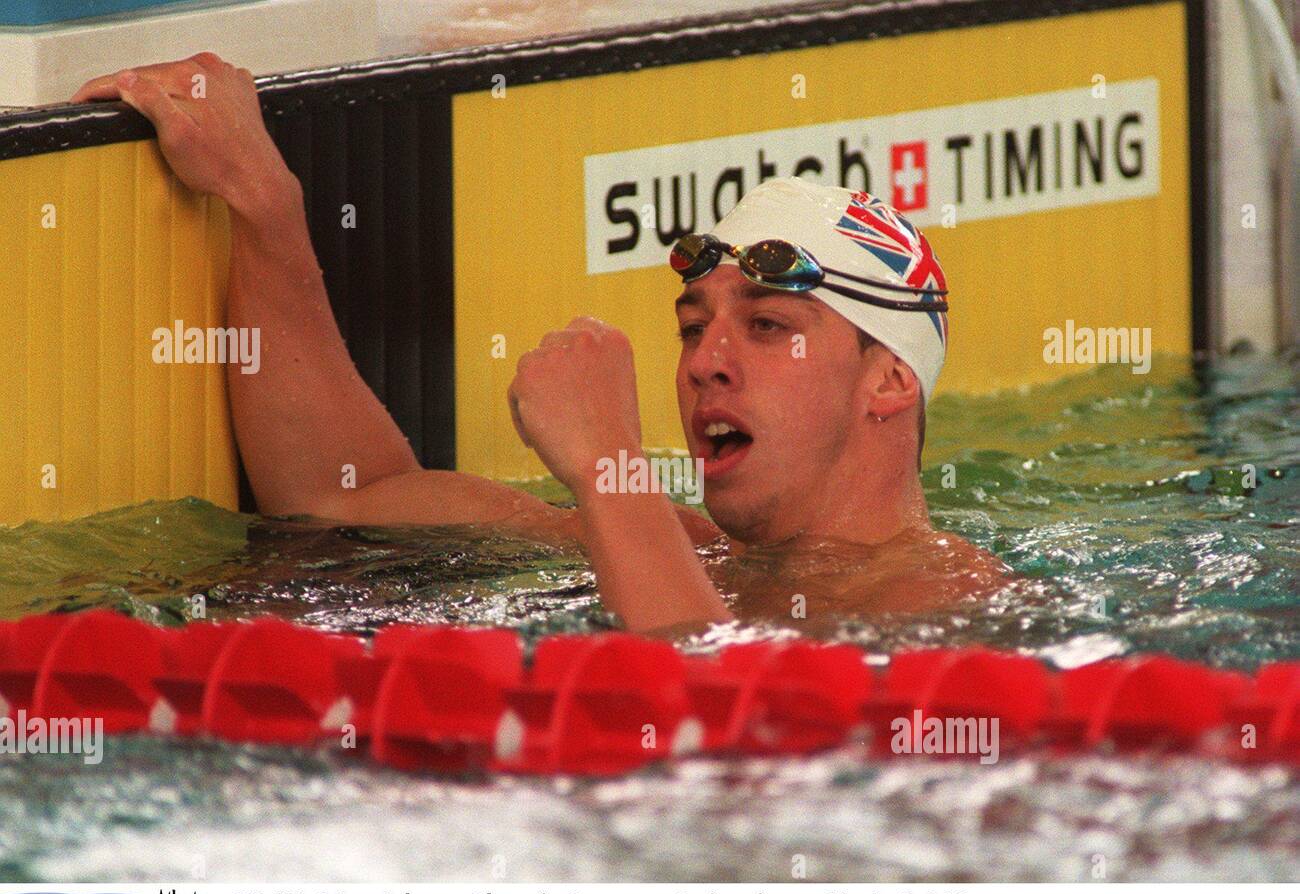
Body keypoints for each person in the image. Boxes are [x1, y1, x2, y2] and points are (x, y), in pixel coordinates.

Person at [72, 53, 1008, 633]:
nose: (703, 363)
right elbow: (338, 494)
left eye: (767, 326)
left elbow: (725, 728)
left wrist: (607, 464)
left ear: (890, 379)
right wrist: (262, 200)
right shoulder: (680, 550)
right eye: (693, 328)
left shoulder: (955, 604)